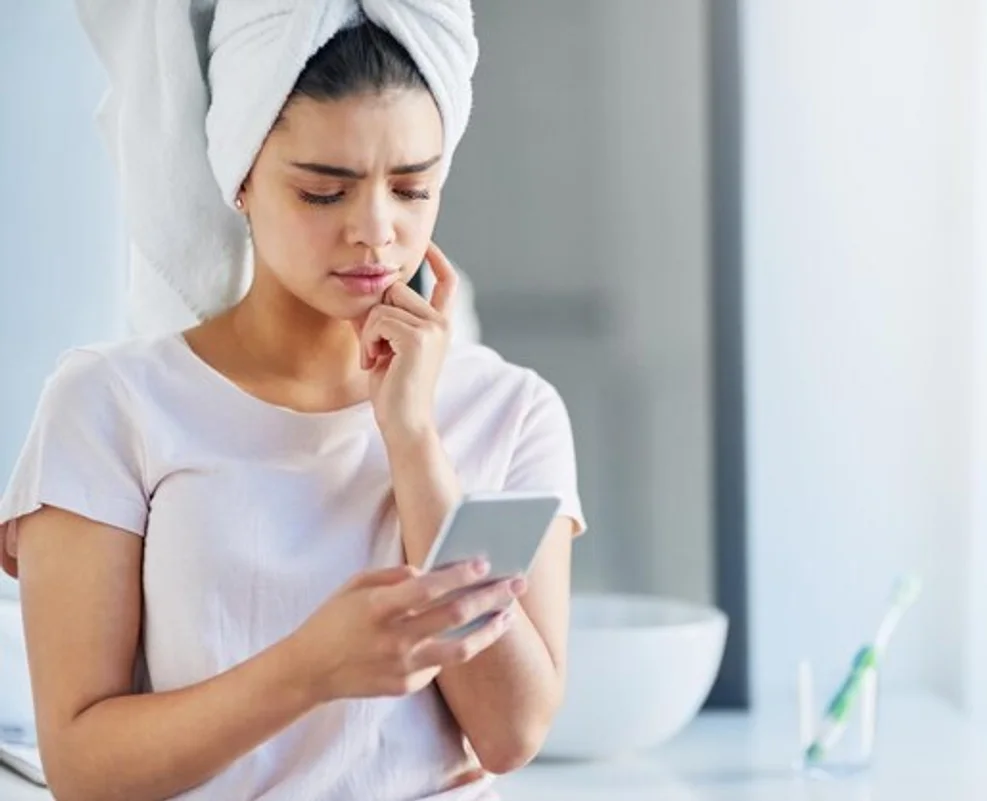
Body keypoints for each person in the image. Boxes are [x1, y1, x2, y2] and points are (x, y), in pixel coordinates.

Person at [0, 3, 585, 800]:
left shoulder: (511, 410)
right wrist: (311, 669)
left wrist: (412, 437)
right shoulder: (111, 406)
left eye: (412, 188)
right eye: (323, 192)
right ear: (241, 178)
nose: (375, 231)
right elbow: (82, 767)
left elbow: (510, 732)